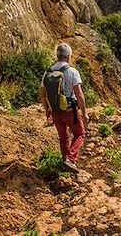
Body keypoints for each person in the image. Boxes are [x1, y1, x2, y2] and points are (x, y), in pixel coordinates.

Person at [40, 42, 89, 172]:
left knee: (63, 137)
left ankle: (65, 162)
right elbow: (79, 95)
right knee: (79, 134)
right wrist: (84, 113)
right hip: (69, 111)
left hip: (55, 111)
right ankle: (70, 159)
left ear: (57, 55)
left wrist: (47, 110)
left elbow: (43, 95)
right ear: (69, 56)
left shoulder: (47, 72)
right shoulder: (72, 71)